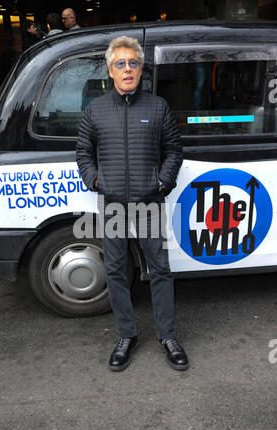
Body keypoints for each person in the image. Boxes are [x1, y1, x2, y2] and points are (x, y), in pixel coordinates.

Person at [76, 36, 188, 372]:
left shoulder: (157, 107)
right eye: (121, 64)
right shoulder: (95, 110)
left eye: (133, 63)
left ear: (141, 69)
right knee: (114, 271)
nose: (128, 69)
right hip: (113, 205)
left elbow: (174, 151)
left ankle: (167, 336)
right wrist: (96, 180)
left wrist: (161, 182)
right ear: (110, 70)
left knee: (160, 271)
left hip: (149, 203)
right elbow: (83, 153)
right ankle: (127, 335)